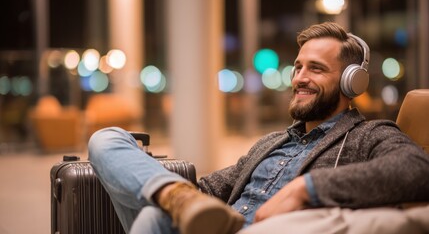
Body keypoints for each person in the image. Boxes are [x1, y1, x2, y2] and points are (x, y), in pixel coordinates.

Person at [88, 22, 429, 234]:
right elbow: (210, 189)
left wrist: (304, 189)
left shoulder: (367, 135)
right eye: (297, 67)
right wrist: (170, 188)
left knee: (150, 221)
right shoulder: (271, 142)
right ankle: (172, 197)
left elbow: (417, 170)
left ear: (350, 82)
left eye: (316, 69)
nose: (299, 78)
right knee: (107, 139)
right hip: (217, 227)